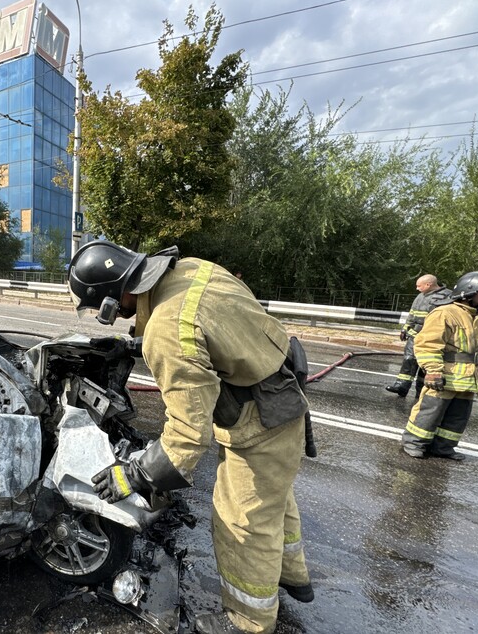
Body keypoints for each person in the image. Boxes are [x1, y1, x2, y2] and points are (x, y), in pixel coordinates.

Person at [68, 240, 312, 634]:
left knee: (243, 519)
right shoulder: (192, 269)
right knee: (273, 498)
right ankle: (292, 575)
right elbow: (211, 323)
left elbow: (186, 436)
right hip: (280, 394)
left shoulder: (167, 330)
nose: (106, 315)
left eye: (100, 308)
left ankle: (248, 620)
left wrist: (132, 475)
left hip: (259, 421)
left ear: (114, 297)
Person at [401, 271, 478, 460]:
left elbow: (477, 351)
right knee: (430, 411)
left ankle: (444, 447)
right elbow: (427, 344)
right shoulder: (445, 313)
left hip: (468, 379)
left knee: (458, 417)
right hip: (445, 375)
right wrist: (433, 372)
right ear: (470, 289)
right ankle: (413, 442)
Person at [385, 274, 450, 397]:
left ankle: (422, 391)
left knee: (426, 364)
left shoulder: (447, 296)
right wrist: (405, 329)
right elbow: (412, 313)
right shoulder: (420, 296)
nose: (417, 288)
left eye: (419, 286)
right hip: (415, 334)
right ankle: (402, 385)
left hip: (433, 336)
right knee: (409, 359)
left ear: (428, 285)